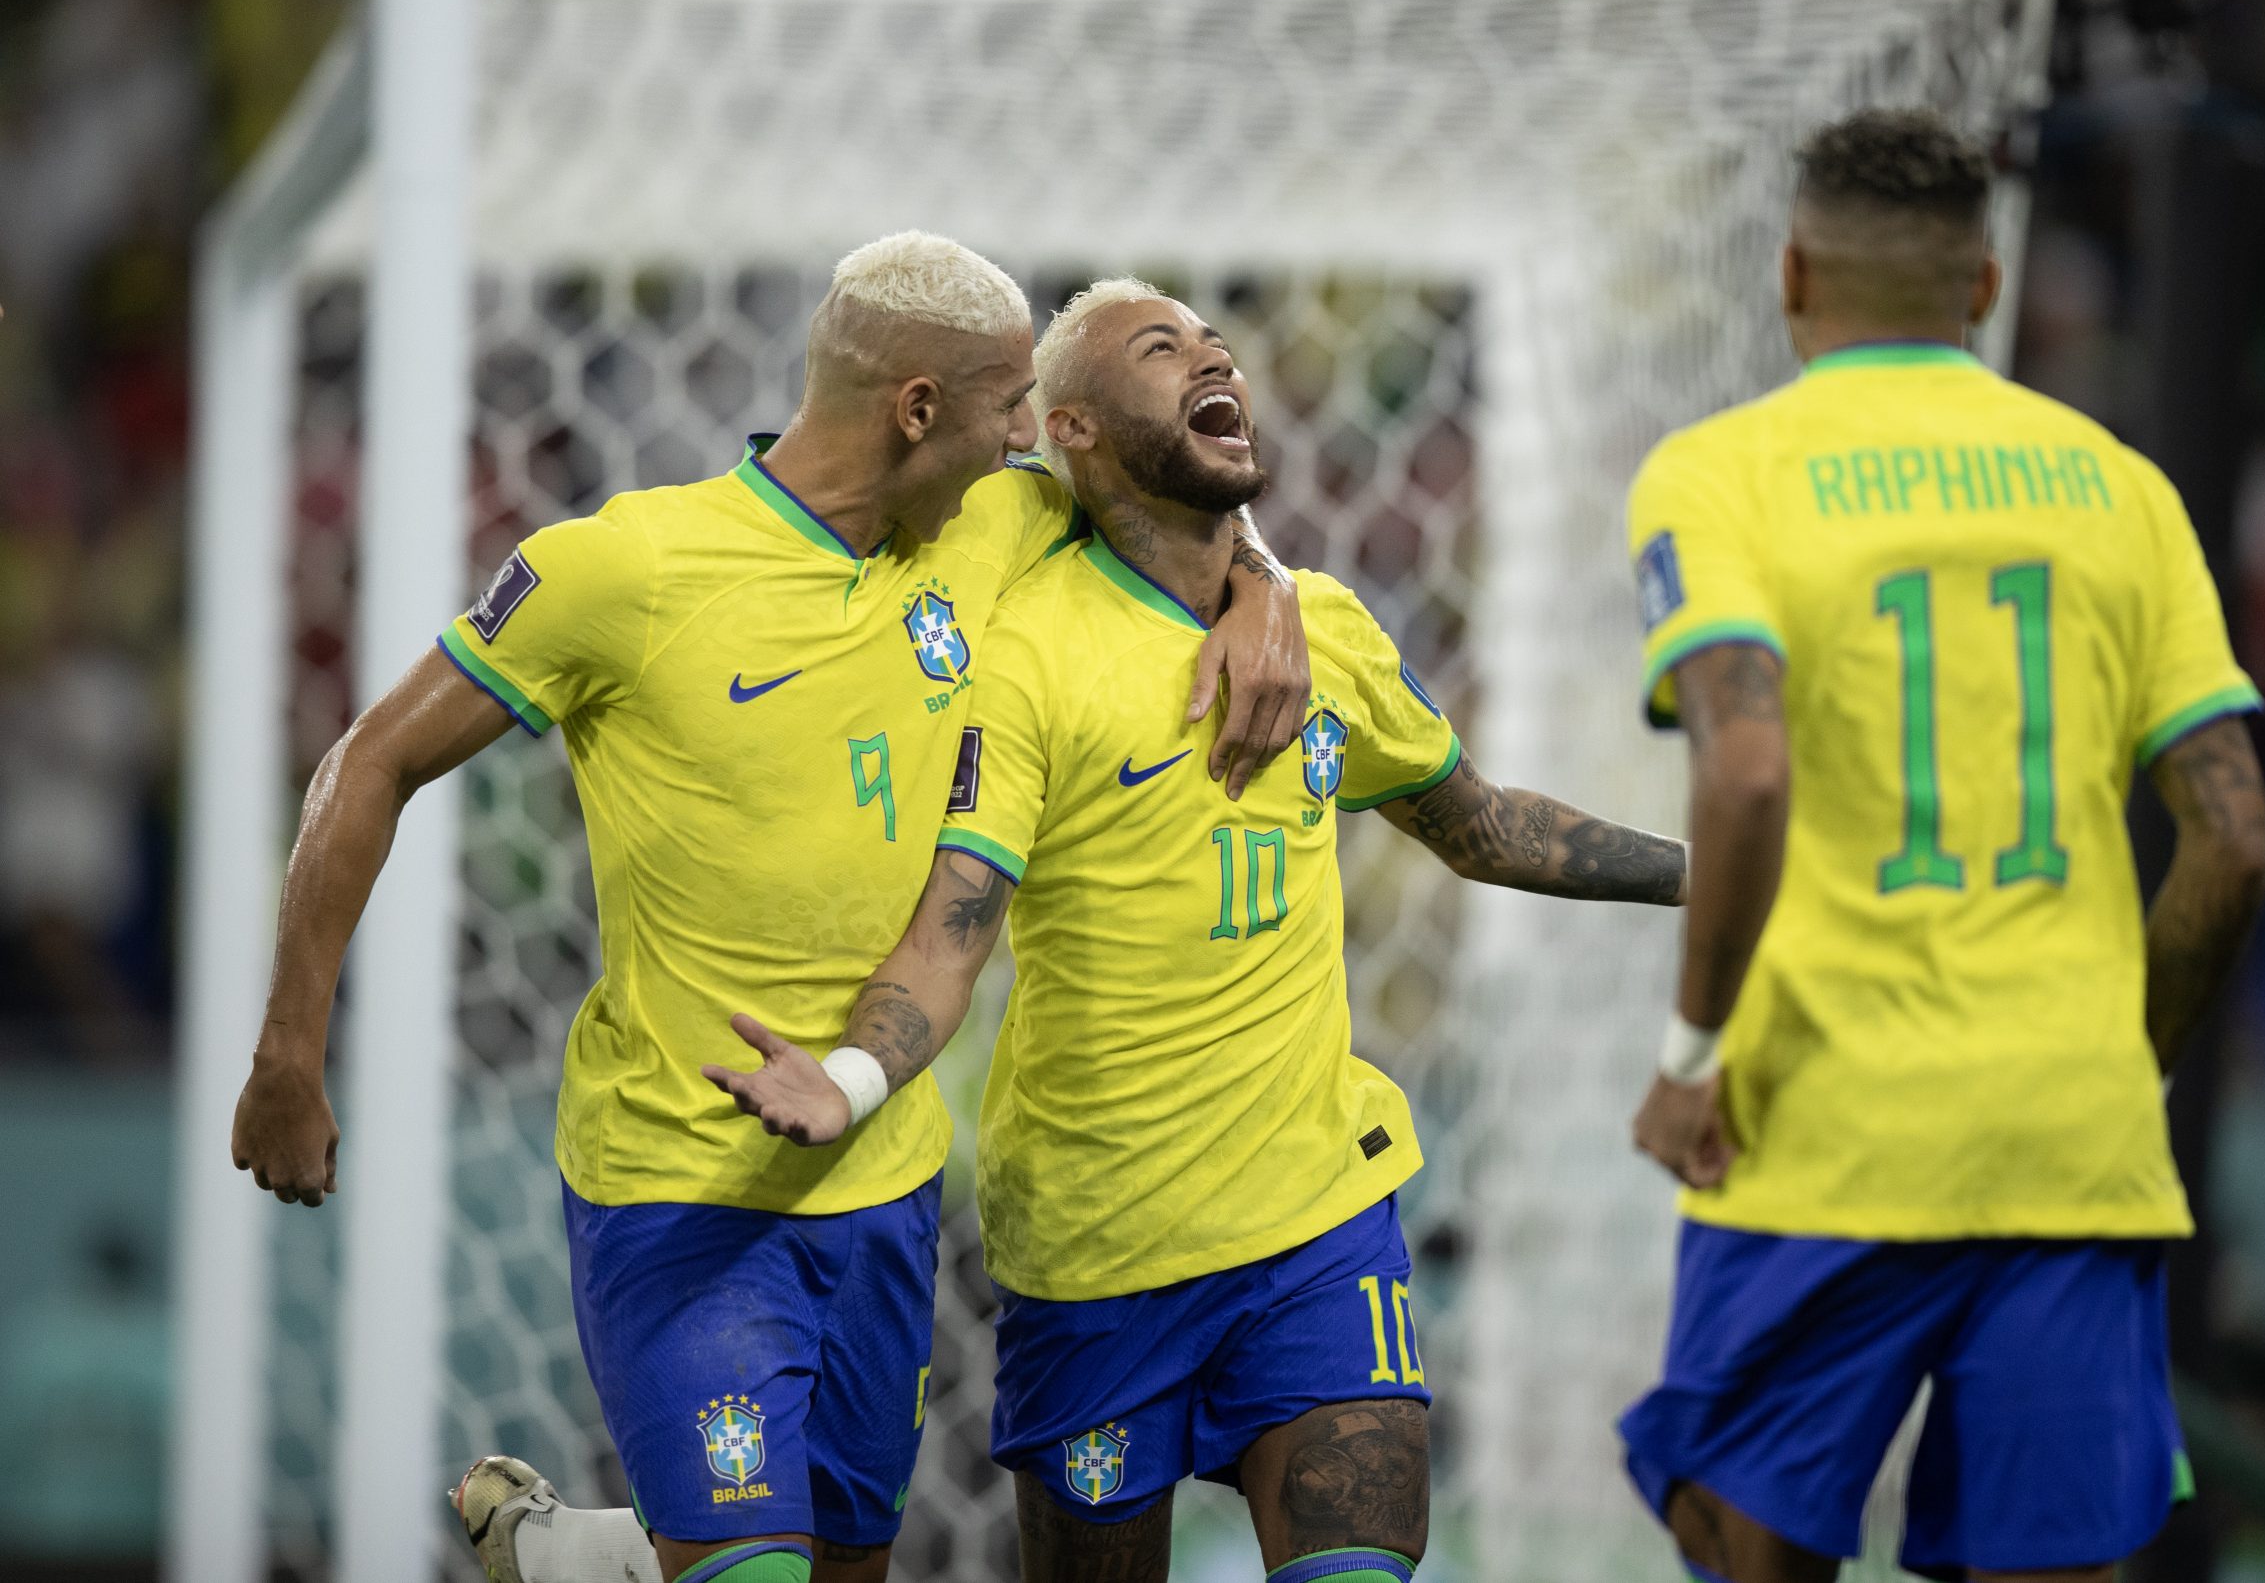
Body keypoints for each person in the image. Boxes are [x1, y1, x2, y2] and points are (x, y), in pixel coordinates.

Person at [226, 233, 1314, 1583]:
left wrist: (1266, 589)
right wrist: (287, 1050)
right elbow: (370, 759)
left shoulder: (994, 522)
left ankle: (601, 1565)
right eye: (1003, 412)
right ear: (919, 410)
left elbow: (1182, 483)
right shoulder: (626, 573)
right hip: (681, 1190)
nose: (1028, 443)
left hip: (882, 1187)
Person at [699, 280, 1690, 1583]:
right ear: (1076, 430)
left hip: (1319, 1229)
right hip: (1099, 1252)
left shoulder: (1322, 625)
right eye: (1160, 351)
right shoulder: (1029, 650)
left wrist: (1718, 875)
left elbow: (1482, 825)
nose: (1211, 357)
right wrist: (852, 1077)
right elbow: (955, 928)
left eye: (1216, 346)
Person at [1616, 109, 2265, 1583]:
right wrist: (2124, 1054)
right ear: (1984, 288)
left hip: (1826, 1139)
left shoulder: (1721, 476)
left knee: (1735, 1536)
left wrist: (1690, 1058)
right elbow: (2233, 845)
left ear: (1791, 276)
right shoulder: (2124, 487)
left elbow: (1745, 766)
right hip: (2071, 1143)